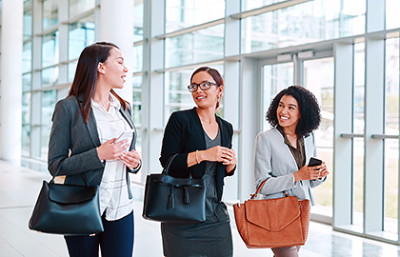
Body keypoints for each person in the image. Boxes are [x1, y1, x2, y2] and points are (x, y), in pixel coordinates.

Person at [47, 42, 141, 257]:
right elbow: (55, 165)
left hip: (121, 207)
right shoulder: (69, 107)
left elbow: (131, 153)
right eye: (120, 62)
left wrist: (135, 162)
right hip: (83, 206)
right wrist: (98, 155)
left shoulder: (124, 107)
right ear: (101, 67)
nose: (125, 68)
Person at [159, 66, 237, 257]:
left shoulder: (226, 128)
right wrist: (203, 155)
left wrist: (231, 164)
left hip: (215, 214)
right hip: (181, 214)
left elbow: (220, 172)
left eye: (205, 85)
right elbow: (167, 162)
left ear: (219, 89)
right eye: (193, 86)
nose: (198, 90)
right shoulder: (180, 119)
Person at [254, 85, 329, 257]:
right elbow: (261, 185)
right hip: (276, 211)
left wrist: (319, 174)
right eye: (281, 105)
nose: (283, 111)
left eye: (290, 107)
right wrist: (297, 176)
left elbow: (308, 182)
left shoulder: (309, 137)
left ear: (302, 113)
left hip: (302, 209)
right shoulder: (265, 139)